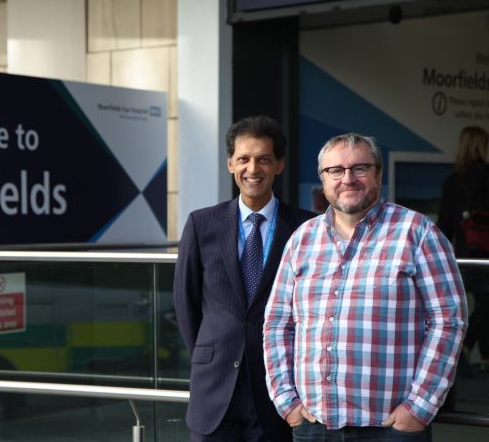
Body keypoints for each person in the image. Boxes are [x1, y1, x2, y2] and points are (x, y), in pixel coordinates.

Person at [263, 133, 467, 441]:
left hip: (390, 429)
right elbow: (277, 324)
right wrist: (287, 402)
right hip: (314, 425)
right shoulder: (302, 240)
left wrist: (419, 407)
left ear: (378, 174)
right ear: (323, 178)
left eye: (360, 168)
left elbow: (449, 321)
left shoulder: (418, 233)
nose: (348, 179)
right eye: (336, 170)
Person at [174, 115, 315, 441]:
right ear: (230, 164)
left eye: (264, 159)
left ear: (279, 165)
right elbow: (186, 303)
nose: (253, 169)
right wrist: (209, 353)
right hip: (214, 386)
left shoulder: (307, 228)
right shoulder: (201, 224)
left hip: (279, 390)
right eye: (244, 159)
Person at [438, 126, 489, 373]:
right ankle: (466, 348)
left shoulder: (452, 181)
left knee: (483, 302)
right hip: (485, 250)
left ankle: (484, 356)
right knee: (486, 304)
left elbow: (444, 224)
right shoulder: (487, 175)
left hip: (465, 251)